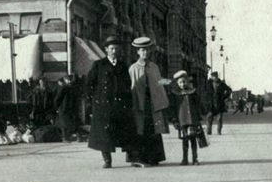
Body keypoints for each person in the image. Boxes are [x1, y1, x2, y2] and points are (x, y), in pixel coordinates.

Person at [85, 36, 137, 168]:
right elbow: (89, 84)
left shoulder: (122, 65)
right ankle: (107, 160)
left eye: (116, 49)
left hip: (120, 105)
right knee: (105, 134)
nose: (114, 51)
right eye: (112, 48)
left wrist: (128, 102)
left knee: (125, 131)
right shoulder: (99, 65)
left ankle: (131, 157)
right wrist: (94, 101)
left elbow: (127, 85)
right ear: (106, 50)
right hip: (104, 106)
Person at [127, 36, 170, 167]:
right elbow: (132, 86)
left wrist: (167, 86)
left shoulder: (154, 67)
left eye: (147, 50)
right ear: (137, 52)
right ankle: (138, 158)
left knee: (153, 130)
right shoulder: (133, 68)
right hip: (139, 103)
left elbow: (158, 83)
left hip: (152, 103)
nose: (145, 52)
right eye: (142, 50)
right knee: (140, 129)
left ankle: (154, 157)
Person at [169, 70, 203, 165]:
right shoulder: (175, 94)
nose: (182, 84)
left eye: (184, 82)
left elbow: (198, 105)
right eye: (180, 82)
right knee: (184, 141)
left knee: (193, 141)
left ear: (187, 82)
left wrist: (199, 117)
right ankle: (185, 159)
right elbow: (172, 108)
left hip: (192, 120)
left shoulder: (192, 92)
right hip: (182, 121)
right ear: (177, 83)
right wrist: (174, 120)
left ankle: (195, 159)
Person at [54, 75, 80, 142]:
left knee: (70, 123)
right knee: (64, 124)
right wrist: (56, 107)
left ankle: (70, 137)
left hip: (69, 108)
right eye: (68, 80)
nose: (69, 81)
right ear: (65, 80)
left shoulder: (72, 88)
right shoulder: (63, 88)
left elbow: (75, 99)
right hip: (63, 108)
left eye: (70, 80)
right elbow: (58, 99)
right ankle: (65, 138)